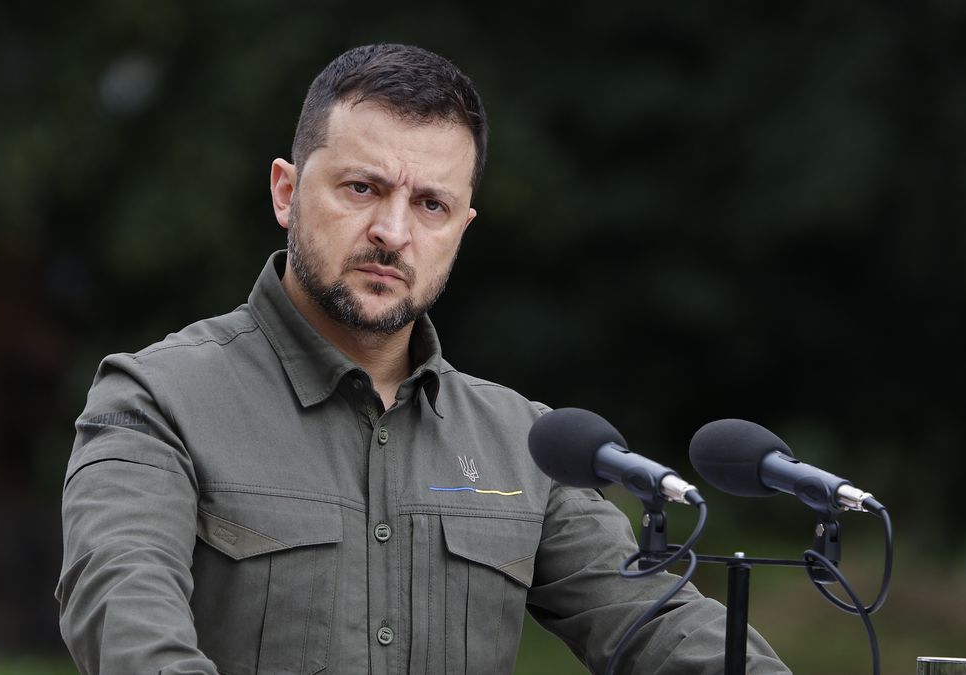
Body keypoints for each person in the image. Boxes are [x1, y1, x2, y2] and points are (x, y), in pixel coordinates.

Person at [57, 43, 790, 674]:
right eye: (361, 188)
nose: (393, 231)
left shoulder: (526, 444)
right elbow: (124, 618)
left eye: (431, 204)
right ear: (286, 191)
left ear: (462, 226)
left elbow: (662, 626)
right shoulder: (156, 400)